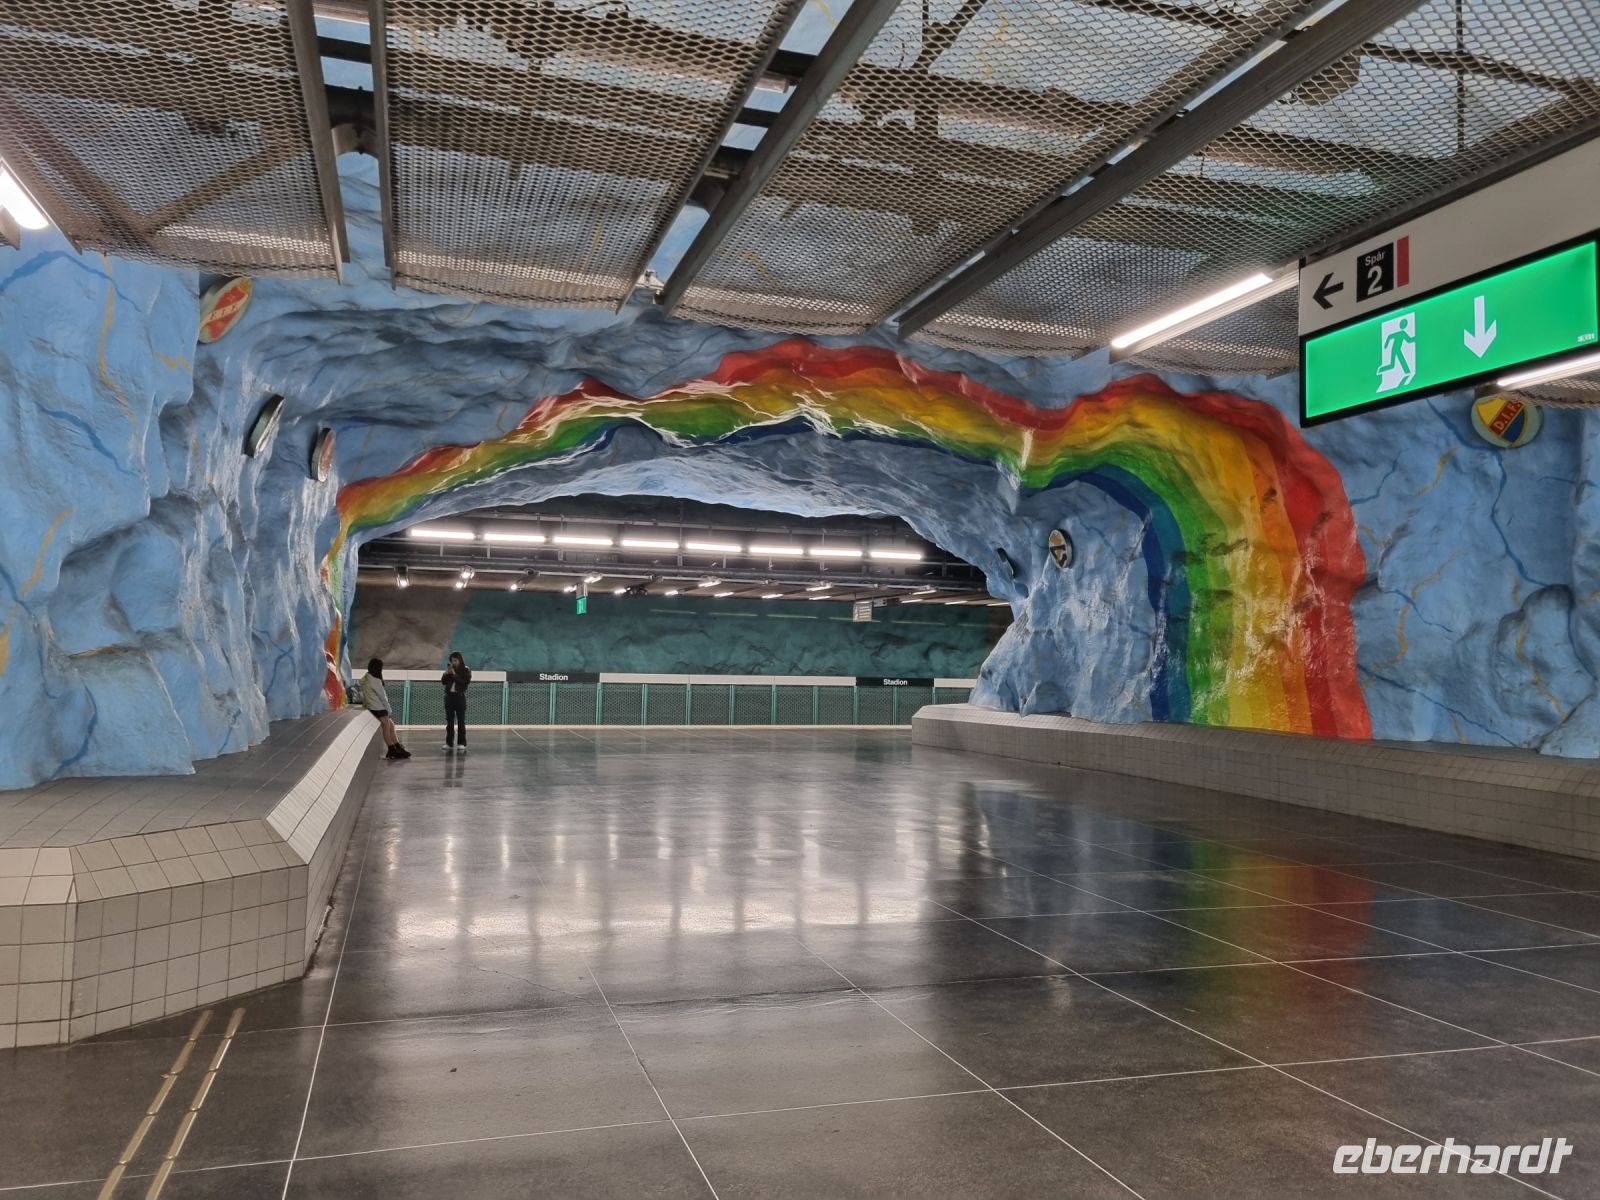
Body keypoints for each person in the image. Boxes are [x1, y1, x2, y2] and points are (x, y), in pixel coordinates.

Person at [360, 658, 410, 760]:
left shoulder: (365, 678)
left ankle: (397, 746)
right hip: (378, 708)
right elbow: (383, 697)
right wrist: (389, 710)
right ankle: (391, 749)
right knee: (386, 726)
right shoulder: (376, 680)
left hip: (371, 707)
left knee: (391, 725)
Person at [442, 650, 472, 753]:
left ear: (459, 660)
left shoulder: (465, 670)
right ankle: (449, 743)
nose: (453, 662)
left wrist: (454, 674)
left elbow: (464, 682)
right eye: (452, 660)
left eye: (455, 660)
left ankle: (461, 743)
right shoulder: (450, 670)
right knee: (449, 721)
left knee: (461, 721)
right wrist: (445, 674)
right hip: (449, 697)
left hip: (459, 698)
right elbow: (443, 682)